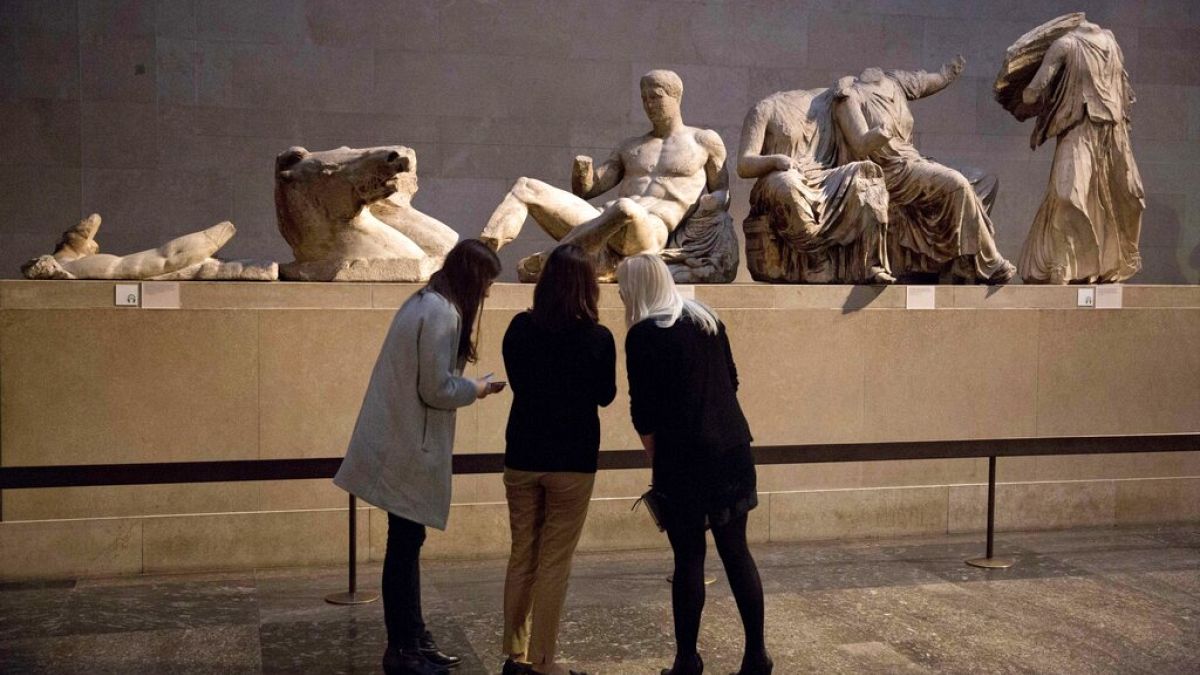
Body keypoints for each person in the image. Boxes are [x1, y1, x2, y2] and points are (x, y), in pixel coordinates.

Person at [333, 239, 503, 675]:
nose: (486, 293)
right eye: (486, 282)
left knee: (405, 545)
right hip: (409, 445)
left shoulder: (424, 301)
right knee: (404, 548)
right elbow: (437, 389)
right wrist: (478, 389)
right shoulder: (442, 313)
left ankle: (414, 638)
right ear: (472, 277)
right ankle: (403, 648)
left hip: (399, 440)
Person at [617, 254, 772, 675]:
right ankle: (757, 655)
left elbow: (642, 412)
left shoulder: (644, 334)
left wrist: (657, 460)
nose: (619, 295)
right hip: (733, 448)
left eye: (622, 288)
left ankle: (687, 660)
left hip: (684, 459)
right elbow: (732, 380)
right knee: (736, 551)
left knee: (688, 559)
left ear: (637, 289)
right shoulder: (707, 319)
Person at [480, 69, 730, 278]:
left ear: (676, 97)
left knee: (626, 209)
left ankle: (553, 258)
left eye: (656, 97)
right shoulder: (631, 147)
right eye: (644, 99)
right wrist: (583, 171)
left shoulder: (703, 140)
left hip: (648, 232)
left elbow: (722, 190)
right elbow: (587, 191)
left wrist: (713, 202)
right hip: (601, 222)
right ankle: (481, 257)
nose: (649, 105)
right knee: (526, 187)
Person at [499, 244, 617, 675]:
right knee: (554, 560)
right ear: (588, 287)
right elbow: (605, 396)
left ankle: (514, 653)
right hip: (573, 457)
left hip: (523, 453)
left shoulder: (519, 328)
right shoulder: (598, 338)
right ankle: (543, 660)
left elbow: (517, 380)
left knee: (522, 553)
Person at [833, 57, 1017, 284]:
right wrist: (880, 133)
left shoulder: (895, 82)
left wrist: (948, 73)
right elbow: (859, 144)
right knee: (956, 184)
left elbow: (932, 80)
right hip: (890, 172)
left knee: (985, 181)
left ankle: (960, 260)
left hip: (914, 163)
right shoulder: (849, 96)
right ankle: (989, 261)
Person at [1017, 17, 1144, 284]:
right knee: (1068, 194)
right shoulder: (1065, 45)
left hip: (1113, 131)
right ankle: (1061, 265)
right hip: (1078, 127)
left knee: (1128, 195)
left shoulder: (1110, 42)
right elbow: (1034, 91)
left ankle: (1105, 265)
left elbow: (1031, 94)